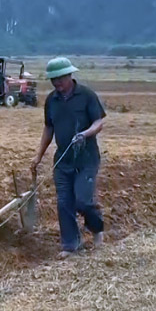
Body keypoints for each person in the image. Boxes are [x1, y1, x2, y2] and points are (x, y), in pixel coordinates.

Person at [30, 57, 106, 259]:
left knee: (83, 201)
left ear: (70, 76)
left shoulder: (87, 96)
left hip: (86, 159)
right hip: (62, 162)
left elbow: (99, 122)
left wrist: (85, 133)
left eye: (60, 79)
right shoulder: (51, 101)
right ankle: (70, 245)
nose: (57, 84)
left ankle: (97, 229)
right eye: (53, 80)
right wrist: (38, 156)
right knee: (64, 203)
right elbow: (49, 127)